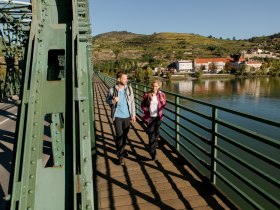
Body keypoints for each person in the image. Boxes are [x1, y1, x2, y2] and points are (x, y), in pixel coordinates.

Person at [106, 71, 136, 165]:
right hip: (117, 116)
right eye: (124, 78)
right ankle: (120, 157)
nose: (126, 80)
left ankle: (122, 150)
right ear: (119, 79)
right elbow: (107, 101)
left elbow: (132, 102)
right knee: (119, 136)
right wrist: (113, 100)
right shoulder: (112, 90)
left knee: (124, 136)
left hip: (127, 116)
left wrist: (133, 115)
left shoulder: (129, 89)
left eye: (126, 78)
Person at [141, 80, 166, 161]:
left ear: (158, 86)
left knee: (156, 134)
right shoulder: (147, 94)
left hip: (158, 117)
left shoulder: (162, 94)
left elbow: (164, 105)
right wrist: (146, 109)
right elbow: (142, 105)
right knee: (151, 135)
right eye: (153, 86)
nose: (154, 88)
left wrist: (162, 100)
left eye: (156, 86)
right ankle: (153, 153)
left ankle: (152, 147)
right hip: (150, 117)